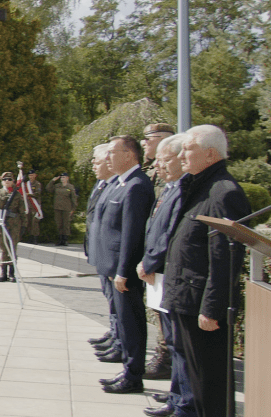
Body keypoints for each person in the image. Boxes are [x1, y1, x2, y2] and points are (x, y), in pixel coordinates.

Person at [162, 125, 249, 417]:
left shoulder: (223, 192)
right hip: (187, 299)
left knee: (209, 385)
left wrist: (212, 308)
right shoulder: (200, 185)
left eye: (188, 149)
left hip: (201, 305)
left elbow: (225, 258)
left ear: (210, 154)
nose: (181, 154)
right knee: (196, 382)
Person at [138, 134, 195, 417]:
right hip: (159, 273)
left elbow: (168, 234)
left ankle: (184, 400)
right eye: (158, 160)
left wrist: (149, 262)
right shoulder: (170, 187)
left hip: (164, 272)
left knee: (177, 341)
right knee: (172, 340)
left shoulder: (183, 189)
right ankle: (176, 395)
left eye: (165, 160)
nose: (159, 165)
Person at [92, 135, 155, 394]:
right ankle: (129, 370)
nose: (108, 157)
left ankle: (133, 374)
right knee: (125, 322)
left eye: (113, 152)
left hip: (123, 270)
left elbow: (132, 233)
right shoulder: (120, 184)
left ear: (130, 155)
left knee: (131, 323)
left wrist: (122, 271)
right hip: (112, 267)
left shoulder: (137, 185)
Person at [140, 122, 176, 382]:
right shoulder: (149, 170)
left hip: (162, 255)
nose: (144, 143)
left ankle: (165, 357)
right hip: (151, 248)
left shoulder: (172, 173)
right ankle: (163, 353)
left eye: (148, 138)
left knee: (163, 310)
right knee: (155, 307)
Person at [85, 144, 126, 365]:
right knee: (110, 299)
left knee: (117, 302)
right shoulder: (103, 185)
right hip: (101, 252)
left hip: (112, 257)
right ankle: (114, 334)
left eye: (97, 160)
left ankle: (119, 341)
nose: (94, 164)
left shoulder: (122, 186)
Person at [142, 123, 175, 194]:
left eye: (147, 139)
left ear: (163, 140)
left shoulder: (172, 166)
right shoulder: (149, 166)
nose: (143, 143)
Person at [46, 172, 78, 246]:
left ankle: (65, 240)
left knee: (66, 224)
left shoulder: (70, 187)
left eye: (64, 177)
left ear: (67, 178)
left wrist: (73, 209)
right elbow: (48, 189)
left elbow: (74, 198)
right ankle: (60, 239)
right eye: (61, 177)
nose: (62, 179)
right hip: (57, 208)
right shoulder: (57, 186)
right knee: (59, 224)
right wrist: (52, 181)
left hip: (67, 208)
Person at [22, 170, 42, 244]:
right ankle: (30, 237)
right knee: (28, 222)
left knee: (34, 222)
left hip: (35, 206)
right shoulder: (26, 184)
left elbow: (37, 193)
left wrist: (29, 194)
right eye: (29, 175)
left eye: (32, 175)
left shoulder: (37, 184)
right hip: (28, 206)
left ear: (35, 175)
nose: (31, 177)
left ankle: (35, 238)